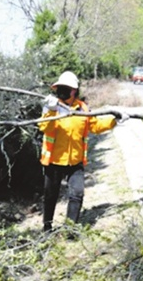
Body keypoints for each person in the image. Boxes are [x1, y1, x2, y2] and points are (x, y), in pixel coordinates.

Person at [38, 70, 122, 232]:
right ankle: (47, 227)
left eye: (65, 88)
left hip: (75, 161)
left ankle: (70, 229)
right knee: (50, 195)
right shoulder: (50, 105)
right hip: (54, 160)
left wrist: (114, 121)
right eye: (59, 87)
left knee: (77, 194)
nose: (61, 91)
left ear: (74, 90)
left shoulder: (82, 108)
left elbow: (95, 126)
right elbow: (44, 127)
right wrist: (52, 110)